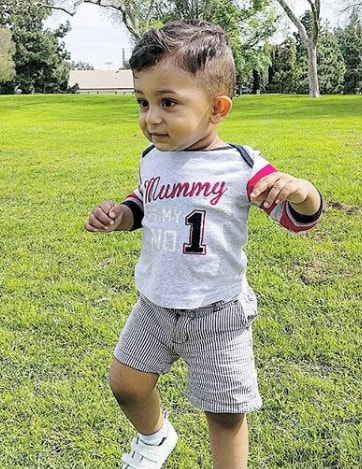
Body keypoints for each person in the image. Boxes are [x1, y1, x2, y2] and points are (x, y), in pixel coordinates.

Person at [85, 19, 322, 469]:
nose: (151, 117)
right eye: (142, 102)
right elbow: (144, 202)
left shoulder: (240, 165)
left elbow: (297, 218)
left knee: (225, 415)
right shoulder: (154, 158)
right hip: (154, 304)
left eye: (168, 102)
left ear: (217, 108)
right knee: (125, 384)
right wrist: (121, 215)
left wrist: (303, 192)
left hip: (217, 312)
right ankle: (155, 438)